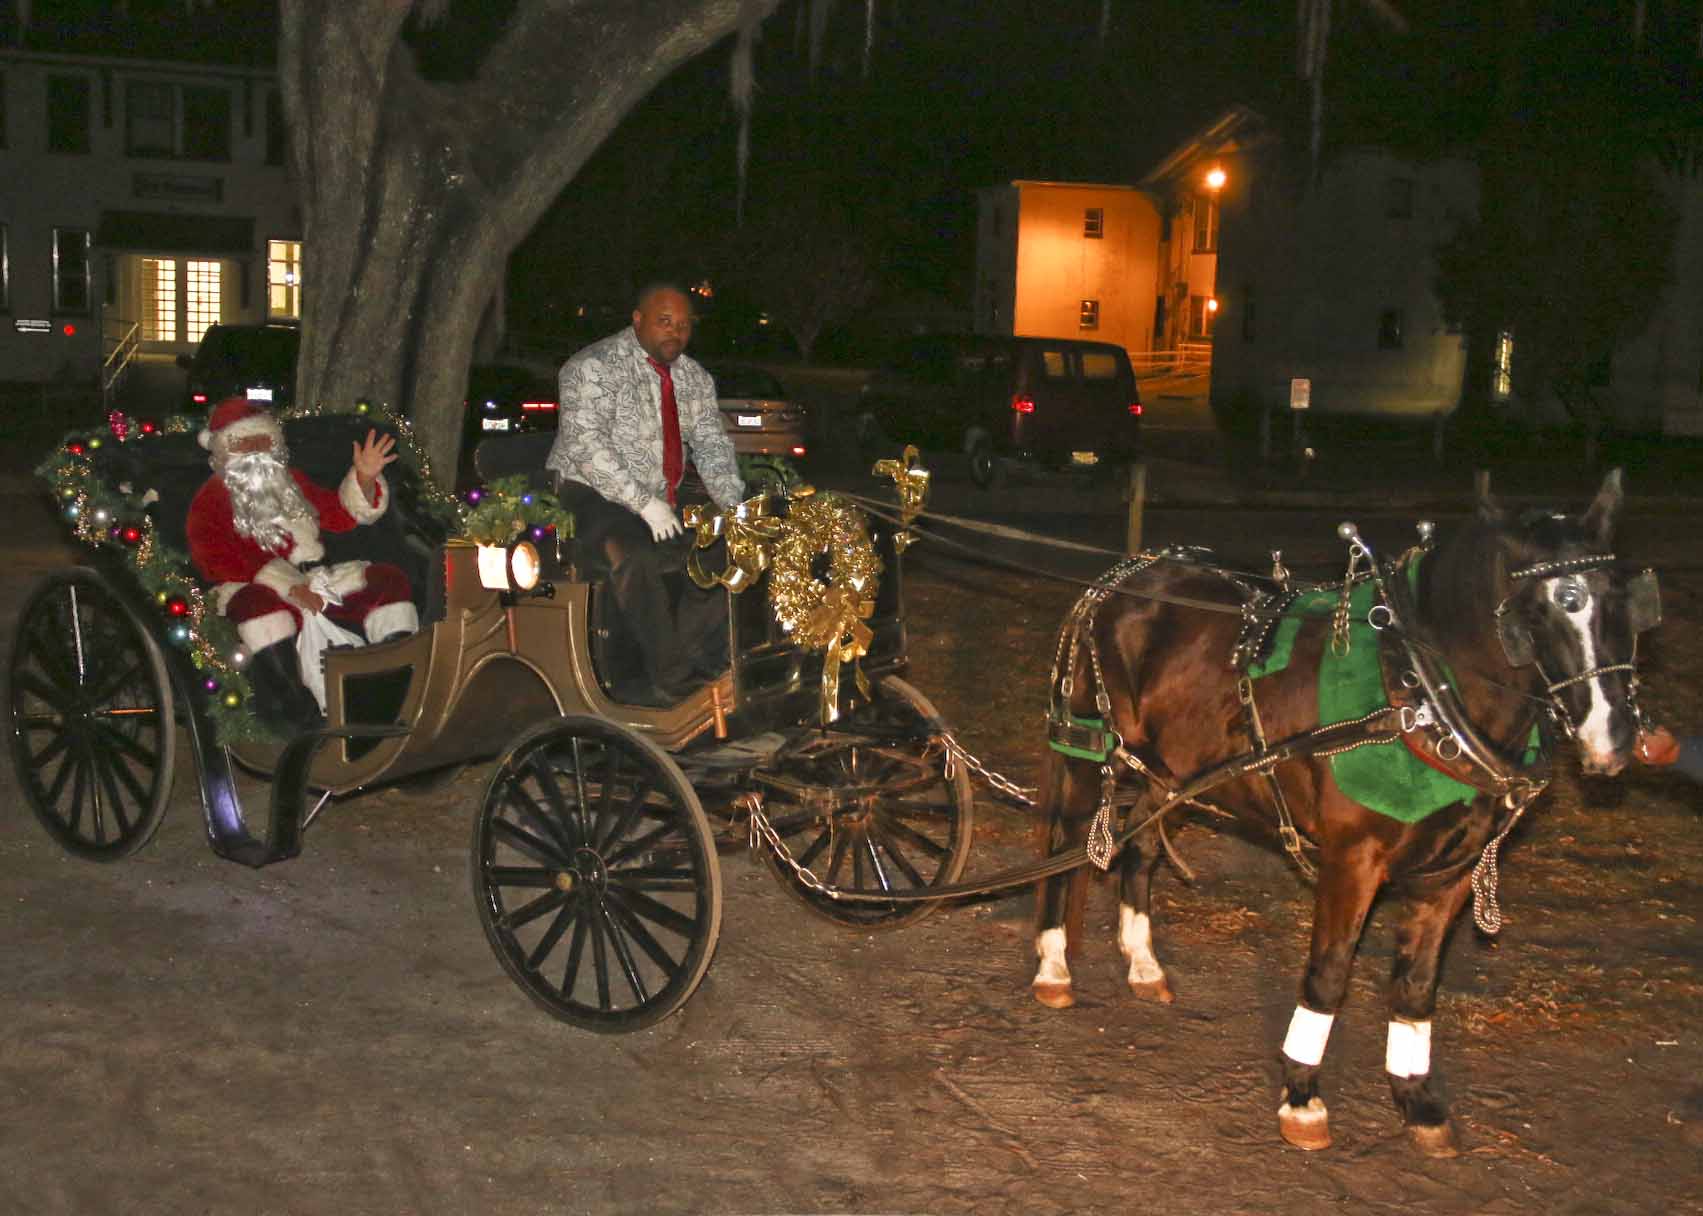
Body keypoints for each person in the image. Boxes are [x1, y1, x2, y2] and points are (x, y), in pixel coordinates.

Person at [546, 282, 745, 704]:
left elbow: (712, 446)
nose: (676, 333)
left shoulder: (693, 378)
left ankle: (694, 657)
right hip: (590, 494)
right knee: (633, 556)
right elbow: (585, 447)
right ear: (638, 320)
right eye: (665, 322)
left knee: (725, 551)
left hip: (660, 499)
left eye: (685, 326)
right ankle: (670, 679)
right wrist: (643, 504)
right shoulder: (592, 367)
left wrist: (733, 507)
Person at [186, 397, 419, 727]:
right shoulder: (211, 498)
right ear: (224, 450)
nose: (255, 450)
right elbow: (213, 558)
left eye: (262, 440)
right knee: (259, 606)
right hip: (255, 586)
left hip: (316, 579)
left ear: (274, 444)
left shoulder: (291, 482)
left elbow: (339, 515)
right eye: (243, 443)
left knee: (386, 580)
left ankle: (394, 686)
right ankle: (297, 711)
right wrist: (289, 586)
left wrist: (364, 478)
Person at [1638, 727, 1703, 783]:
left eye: (1649, 729)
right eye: (1643, 741)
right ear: (1646, 758)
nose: (1657, 730)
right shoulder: (1694, 765)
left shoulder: (1689, 749)